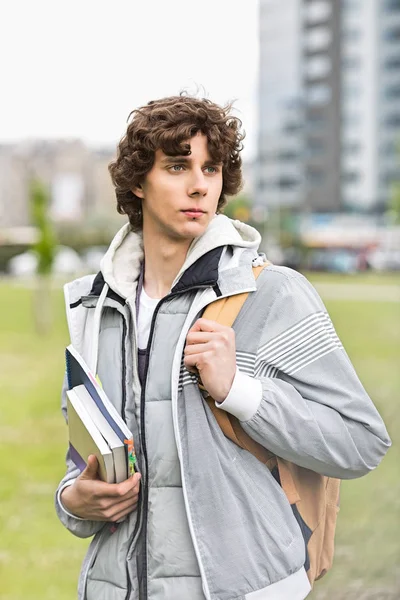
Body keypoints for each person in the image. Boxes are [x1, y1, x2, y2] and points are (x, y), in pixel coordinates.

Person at [55, 95, 391, 600]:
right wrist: (74, 500)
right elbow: (83, 457)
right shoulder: (94, 307)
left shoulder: (272, 293)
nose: (199, 185)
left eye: (210, 168)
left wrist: (240, 392)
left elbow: (361, 441)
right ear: (136, 183)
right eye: (177, 166)